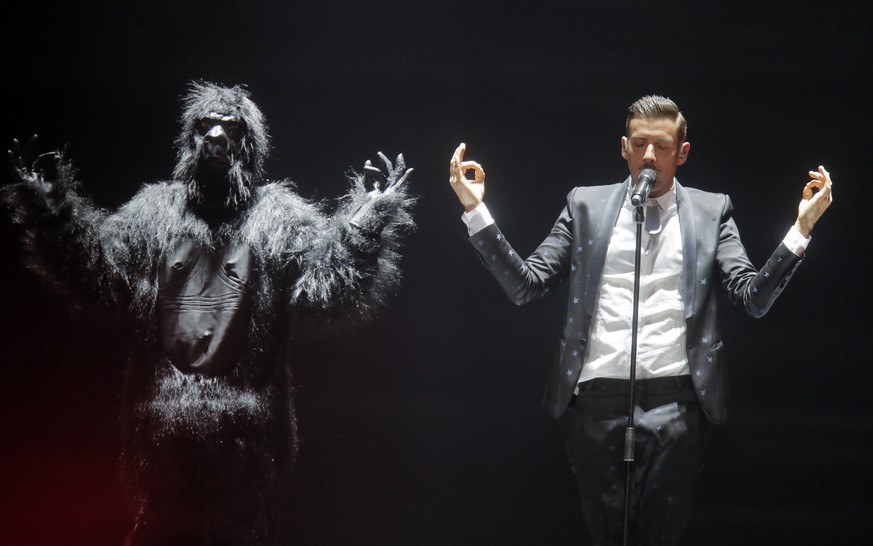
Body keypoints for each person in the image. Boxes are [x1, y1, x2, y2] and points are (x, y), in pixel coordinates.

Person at [4, 81, 415, 546]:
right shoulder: (155, 211)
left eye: (231, 129)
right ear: (190, 138)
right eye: (205, 126)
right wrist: (52, 212)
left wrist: (365, 222)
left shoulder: (277, 215)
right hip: (161, 440)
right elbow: (102, 279)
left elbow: (324, 291)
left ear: (249, 145)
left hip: (248, 445)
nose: (216, 136)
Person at [447, 94, 833, 545]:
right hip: (597, 402)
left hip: (675, 406)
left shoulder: (712, 212)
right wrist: (476, 211)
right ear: (624, 148)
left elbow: (752, 297)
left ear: (682, 153)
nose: (650, 155)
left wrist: (800, 230)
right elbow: (526, 284)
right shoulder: (585, 206)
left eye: (663, 145)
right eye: (640, 143)